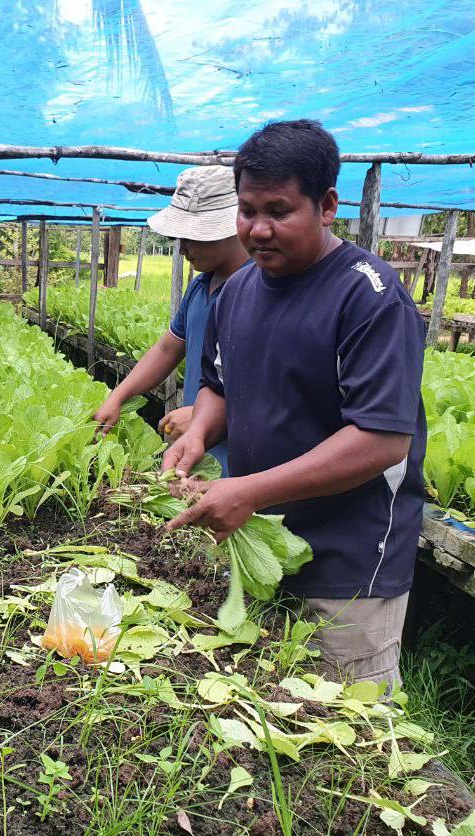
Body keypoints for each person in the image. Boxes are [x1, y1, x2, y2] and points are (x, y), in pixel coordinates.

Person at [163, 119, 427, 689]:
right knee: (271, 714)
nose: (257, 230)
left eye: (278, 212)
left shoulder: (368, 296)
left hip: (350, 558)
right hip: (262, 536)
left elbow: (382, 440)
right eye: (246, 210)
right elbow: (219, 386)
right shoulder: (236, 291)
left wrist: (249, 489)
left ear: (327, 205)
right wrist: (198, 433)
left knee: (350, 732)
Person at [92, 167, 248, 475]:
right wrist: (119, 396)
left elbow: (279, 394)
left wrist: (208, 419)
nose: (182, 248)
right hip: (196, 452)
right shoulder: (200, 287)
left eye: (192, 237)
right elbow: (168, 350)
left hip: (244, 465)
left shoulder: (263, 293)